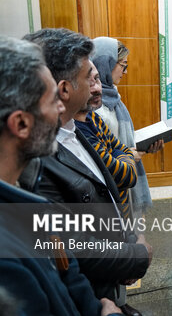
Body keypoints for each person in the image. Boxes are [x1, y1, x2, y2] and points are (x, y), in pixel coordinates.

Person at [20, 28, 151, 313]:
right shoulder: (38, 159)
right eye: (87, 79)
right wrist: (136, 255)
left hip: (108, 276)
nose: (96, 87)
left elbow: (110, 189)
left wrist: (127, 249)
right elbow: (70, 247)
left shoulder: (76, 128)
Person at [0, 36, 122, 316]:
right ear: (20, 123)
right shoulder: (7, 261)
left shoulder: (23, 198)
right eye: (52, 99)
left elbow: (66, 271)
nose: (60, 109)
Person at [91, 37, 162, 221]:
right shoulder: (95, 107)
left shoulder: (113, 96)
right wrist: (132, 153)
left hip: (125, 173)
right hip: (113, 186)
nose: (126, 71)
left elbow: (118, 143)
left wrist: (143, 147)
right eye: (123, 65)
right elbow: (100, 158)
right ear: (105, 64)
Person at [75, 62, 137, 219]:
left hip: (122, 214)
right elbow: (126, 175)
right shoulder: (77, 131)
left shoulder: (92, 116)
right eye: (88, 82)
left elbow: (119, 147)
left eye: (97, 79)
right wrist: (125, 157)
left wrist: (120, 154)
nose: (96, 88)